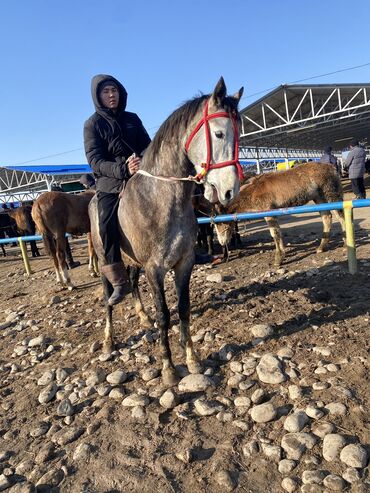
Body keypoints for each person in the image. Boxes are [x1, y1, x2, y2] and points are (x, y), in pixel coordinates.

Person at [83, 74, 151, 305]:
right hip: (110, 183)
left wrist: (143, 159)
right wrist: (123, 169)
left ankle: (188, 251)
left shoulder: (132, 118)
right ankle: (119, 281)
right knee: (105, 223)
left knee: (175, 197)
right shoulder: (92, 124)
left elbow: (148, 145)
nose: (112, 95)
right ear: (97, 96)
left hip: (140, 174)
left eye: (114, 90)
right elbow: (95, 161)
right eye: (106, 92)